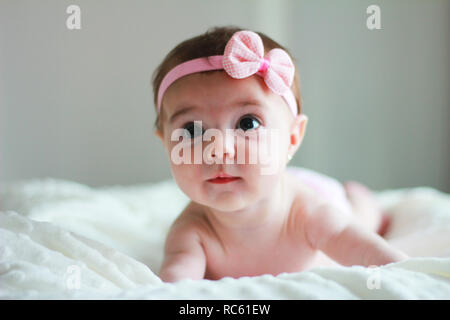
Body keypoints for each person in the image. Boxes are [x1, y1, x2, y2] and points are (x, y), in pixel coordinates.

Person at [152, 26, 408, 282]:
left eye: (247, 124)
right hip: (274, 175)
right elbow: (176, 284)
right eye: (191, 130)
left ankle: (361, 198)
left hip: (316, 191)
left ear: (292, 137)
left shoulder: (306, 212)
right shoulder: (192, 230)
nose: (218, 150)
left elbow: (364, 250)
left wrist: (406, 272)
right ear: (166, 143)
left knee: (361, 219)